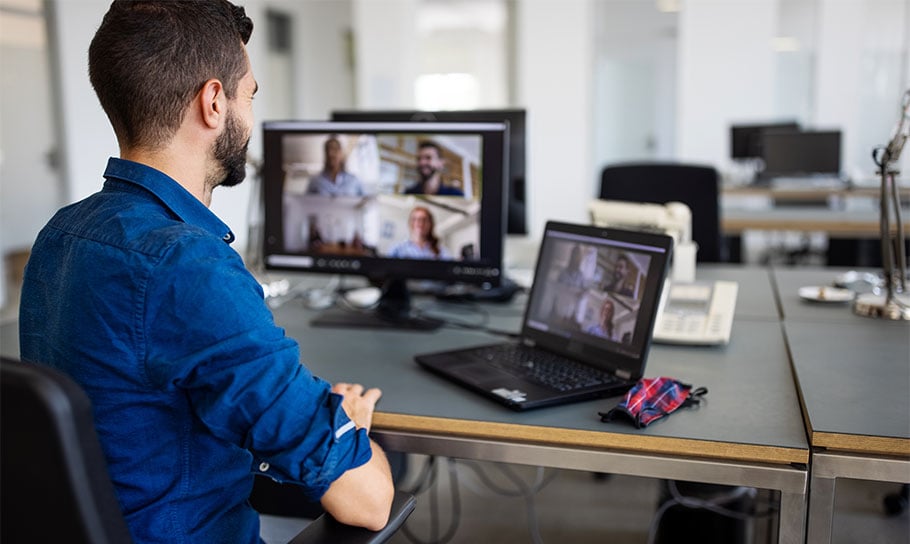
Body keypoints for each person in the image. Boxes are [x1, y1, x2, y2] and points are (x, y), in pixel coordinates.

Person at [17, 2, 393, 543]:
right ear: (214, 102)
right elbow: (369, 503)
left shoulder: (61, 233)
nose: (251, 116)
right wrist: (346, 428)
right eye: (250, 95)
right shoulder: (188, 266)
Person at [388, 206, 452, 259]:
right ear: (410, 223)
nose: (420, 223)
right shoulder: (397, 249)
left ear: (430, 224)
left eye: (424, 220)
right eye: (415, 219)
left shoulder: (442, 252)